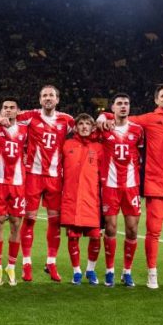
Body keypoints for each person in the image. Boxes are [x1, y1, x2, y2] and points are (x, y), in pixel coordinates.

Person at [98, 84, 163, 289]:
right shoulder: (147, 120)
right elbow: (122, 117)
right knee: (153, 231)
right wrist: (103, 116)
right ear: (156, 100)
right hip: (155, 184)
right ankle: (152, 273)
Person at [16, 85, 75, 282]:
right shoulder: (29, 116)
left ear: (57, 100)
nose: (48, 98)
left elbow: (89, 126)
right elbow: (6, 114)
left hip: (55, 178)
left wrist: (104, 117)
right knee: (29, 220)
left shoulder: (67, 120)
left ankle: (51, 262)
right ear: (40, 99)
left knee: (55, 222)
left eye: (51, 95)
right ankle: (26, 263)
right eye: (44, 95)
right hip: (33, 176)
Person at [98, 94, 143, 288]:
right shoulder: (104, 128)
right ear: (113, 108)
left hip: (131, 187)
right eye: (119, 104)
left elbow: (141, 153)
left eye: (126, 103)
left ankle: (127, 271)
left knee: (132, 229)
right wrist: (102, 118)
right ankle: (110, 271)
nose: (123, 106)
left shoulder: (138, 130)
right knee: (110, 228)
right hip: (110, 186)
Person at [0, 98, 28, 285]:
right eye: (5, 108)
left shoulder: (25, 129)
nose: (8, 110)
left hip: (18, 184)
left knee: (16, 224)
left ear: (18, 111)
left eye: (12, 108)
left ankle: (11, 267)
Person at [60, 114, 105, 285]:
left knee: (95, 237)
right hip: (71, 198)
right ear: (76, 127)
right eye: (81, 124)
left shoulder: (99, 147)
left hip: (92, 200)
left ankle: (90, 270)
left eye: (88, 123)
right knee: (73, 237)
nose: (84, 126)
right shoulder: (67, 145)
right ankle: (77, 271)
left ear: (93, 127)